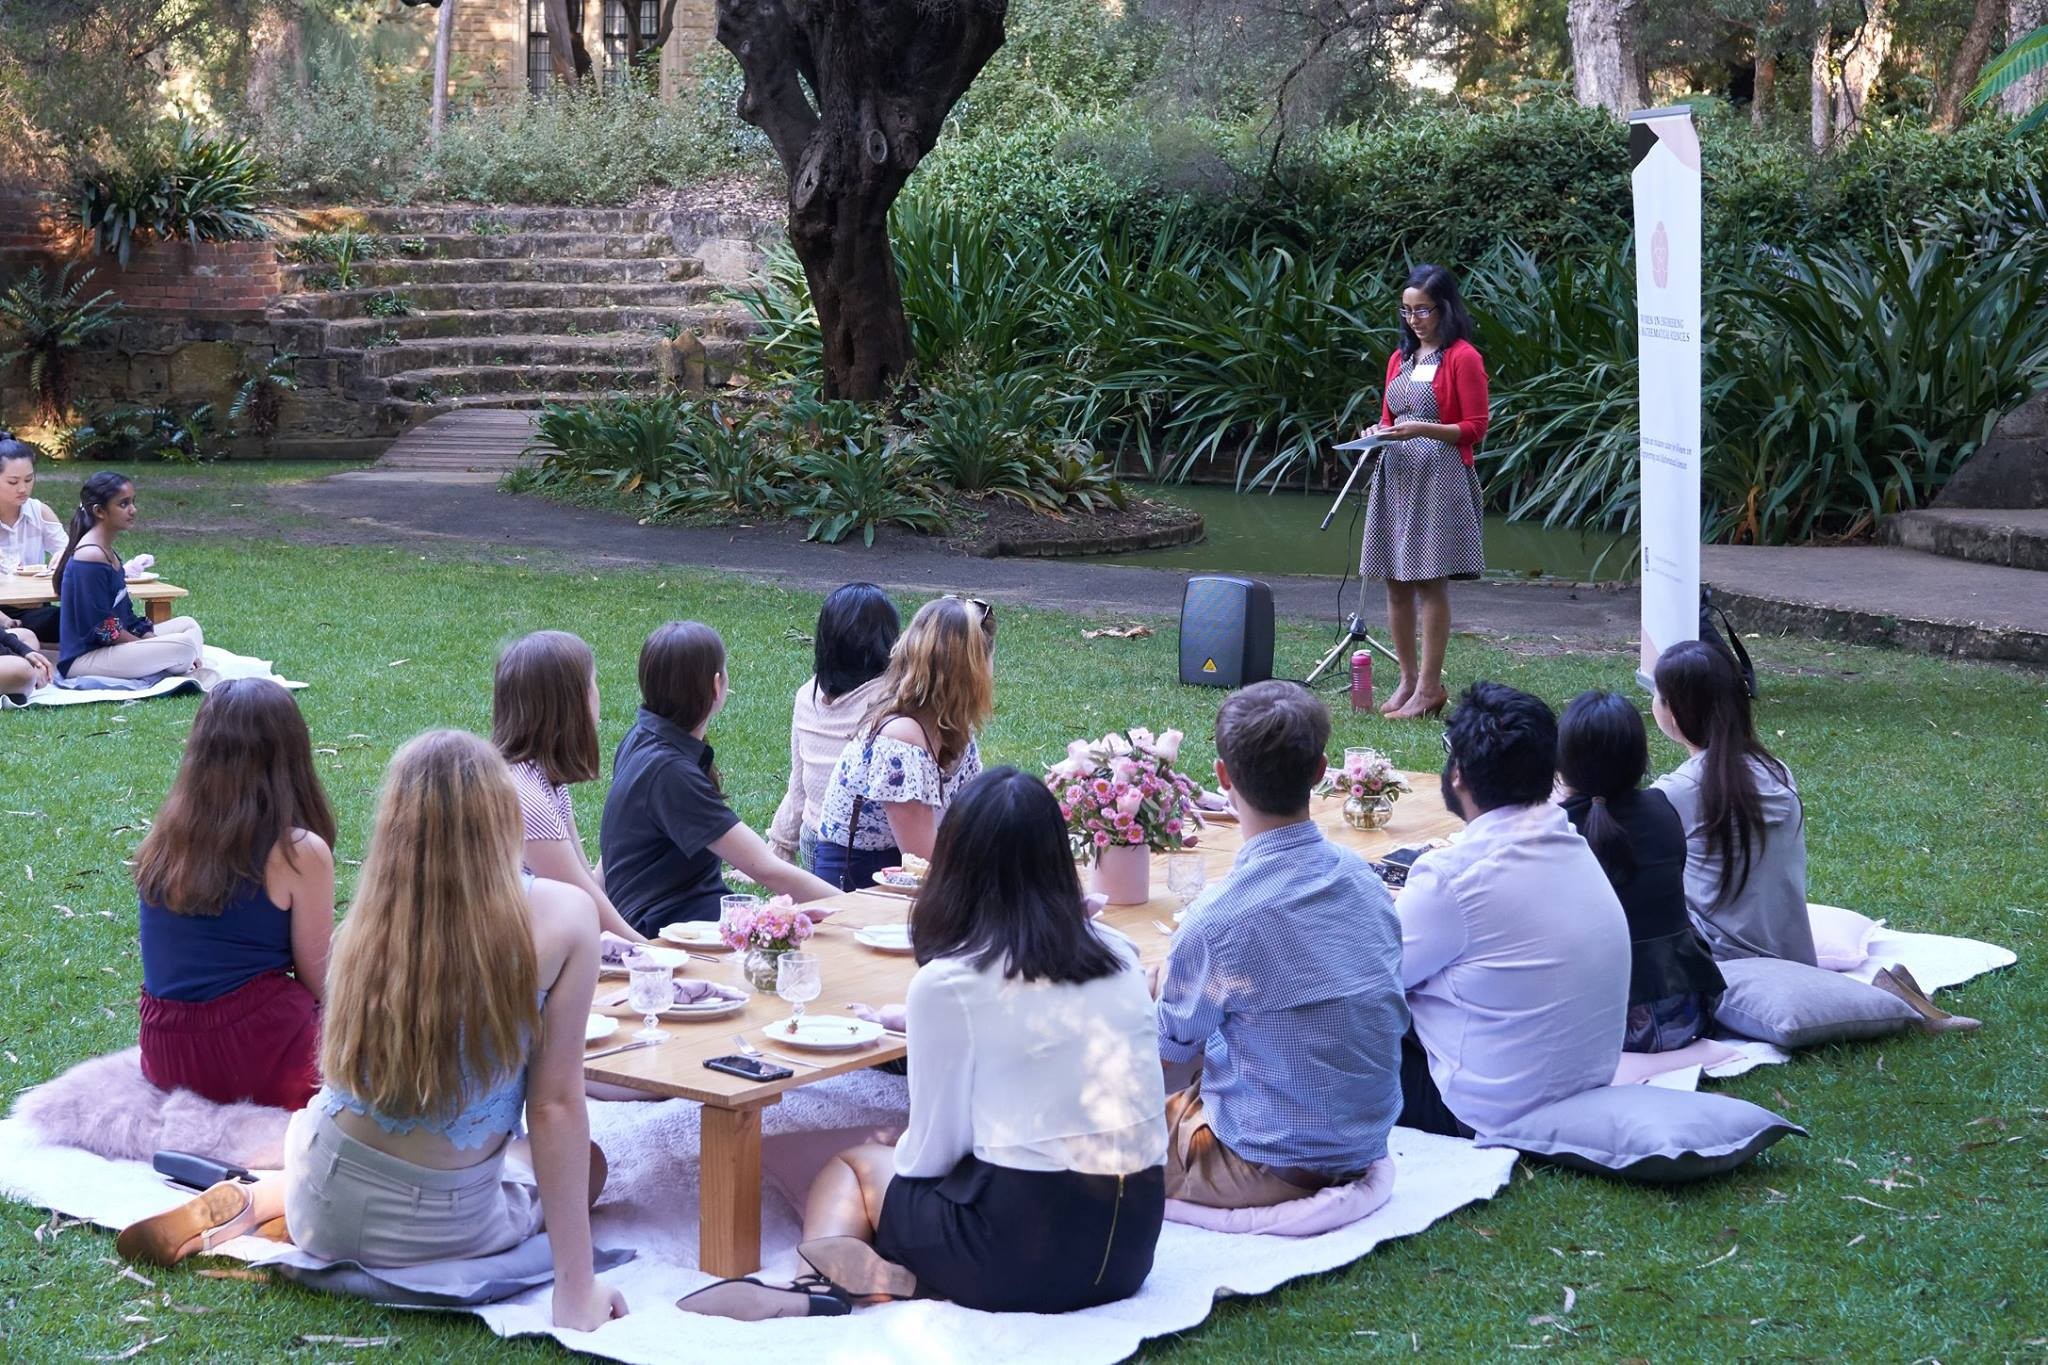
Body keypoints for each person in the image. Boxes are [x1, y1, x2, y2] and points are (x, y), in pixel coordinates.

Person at [116, 731, 629, 1333]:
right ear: (503, 814)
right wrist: (576, 1289)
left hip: (321, 1198)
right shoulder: (565, 915)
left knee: (350, 1134)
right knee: (587, 1165)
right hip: (444, 1224)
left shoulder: (361, 928)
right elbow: (554, 1106)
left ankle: (258, 1198)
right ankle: (268, 1200)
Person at [677, 768, 1165, 1320]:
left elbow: (930, 1158)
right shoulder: (1119, 954)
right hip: (1129, 1244)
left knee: (852, 1167)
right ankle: (900, 1278)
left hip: (1020, 1255)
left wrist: (896, 1144)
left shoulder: (951, 983)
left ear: (954, 864)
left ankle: (817, 1285)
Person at [1154, 680, 1406, 1206]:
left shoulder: (1217, 921)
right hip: (1363, 1138)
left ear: (1223, 776)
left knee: (1085, 1131)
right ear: (1320, 770)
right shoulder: (1366, 882)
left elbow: (1163, 1058)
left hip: (1267, 1158)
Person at [1397, 682, 1630, 1138]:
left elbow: (1369, 979)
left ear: (1458, 773)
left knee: (1320, 1017)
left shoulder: (1452, 878)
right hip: (1582, 1083)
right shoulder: (1570, 842)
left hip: (1482, 1110)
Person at [133, 679, 336, 1109]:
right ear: (290, 754)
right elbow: (322, 983)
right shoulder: (297, 851)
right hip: (258, 1050)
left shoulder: (164, 840)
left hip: (165, 1052)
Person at [599, 621, 835, 934]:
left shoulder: (641, 737)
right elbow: (767, 868)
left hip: (681, 916)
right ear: (716, 685)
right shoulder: (670, 772)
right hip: (670, 931)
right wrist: (860, 908)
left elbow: (613, 850)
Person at [1355, 263, 1490, 720]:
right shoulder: (1401, 358)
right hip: (1397, 475)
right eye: (1406, 310)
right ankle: (1407, 680)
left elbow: (1475, 427)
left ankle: (1430, 687)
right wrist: (1378, 431)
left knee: (1430, 581)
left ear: (1445, 308)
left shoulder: (1463, 357)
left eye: (1423, 310)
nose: (1413, 319)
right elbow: (1389, 418)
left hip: (1439, 477)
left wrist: (1423, 428)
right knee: (1395, 581)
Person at [1556, 689, 1725, 1054]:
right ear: (1638, 757)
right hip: (1690, 1009)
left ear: (1562, 761)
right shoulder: (1662, 808)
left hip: (1606, 1024)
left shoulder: (1557, 831)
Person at [1649, 640, 1815, 966]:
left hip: (1719, 965)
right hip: (1792, 957)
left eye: (1656, 694)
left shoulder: (1678, 791)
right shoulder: (1777, 771)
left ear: (1674, 712)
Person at [812, 596, 994, 892]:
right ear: (973, 670)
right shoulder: (900, 738)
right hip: (859, 887)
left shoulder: (955, 729)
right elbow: (924, 859)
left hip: (912, 878)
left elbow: (974, 820)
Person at [492, 629, 645, 944]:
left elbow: (586, 883)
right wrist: (653, 954)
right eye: (593, 682)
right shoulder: (526, 798)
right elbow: (587, 906)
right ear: (575, 702)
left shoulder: (543, 781)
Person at [768, 583, 901, 871]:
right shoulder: (892, 699)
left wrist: (780, 846)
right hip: (868, 849)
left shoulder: (807, 695)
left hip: (814, 838)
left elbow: (799, 784)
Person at [55, 472, 204, 680]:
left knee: (188, 625)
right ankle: (178, 662)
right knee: (184, 646)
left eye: (133, 502)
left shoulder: (106, 551)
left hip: (114, 646)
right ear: (99, 511)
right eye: (123, 504)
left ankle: (176, 662)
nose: (133, 510)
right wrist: (148, 646)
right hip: (86, 658)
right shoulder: (90, 556)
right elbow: (104, 629)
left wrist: (151, 640)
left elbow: (125, 616)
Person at [0, 431, 67, 643]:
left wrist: (65, 556)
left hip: (36, 607)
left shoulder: (39, 512)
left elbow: (70, 550)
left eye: (29, 480)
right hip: (2, 610)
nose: (23, 489)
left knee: (76, 618)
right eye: (13, 482)